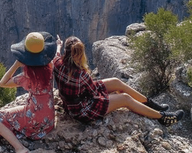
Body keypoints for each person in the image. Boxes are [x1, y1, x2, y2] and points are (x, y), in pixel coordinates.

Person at [52, 35, 184, 127]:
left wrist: (58, 45)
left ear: (66, 51)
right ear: (81, 54)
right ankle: (162, 117)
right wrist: (113, 97)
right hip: (82, 110)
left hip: (72, 104)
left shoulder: (57, 63)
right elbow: (94, 94)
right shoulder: (82, 75)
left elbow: (56, 55)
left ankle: (152, 105)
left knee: (116, 82)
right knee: (125, 98)